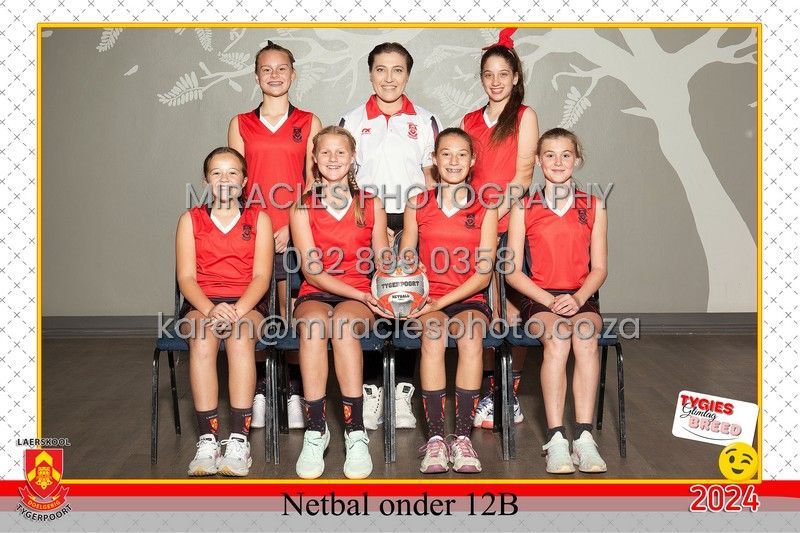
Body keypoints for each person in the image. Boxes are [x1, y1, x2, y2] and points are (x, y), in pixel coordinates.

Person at [339, 42, 443, 431]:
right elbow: (344, 175)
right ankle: (371, 389)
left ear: (408, 75)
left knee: (410, 301)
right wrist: (369, 220)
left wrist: (424, 224)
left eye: (397, 70)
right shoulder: (352, 119)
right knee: (374, 301)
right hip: (369, 221)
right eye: (381, 70)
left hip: (414, 221)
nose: (389, 78)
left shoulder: (426, 119)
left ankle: (401, 390)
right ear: (370, 74)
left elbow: (432, 177)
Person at [228, 40, 322, 431]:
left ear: (293, 74)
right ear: (256, 77)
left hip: (294, 233)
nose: (274, 75)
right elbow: (234, 184)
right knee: (258, 314)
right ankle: (263, 390)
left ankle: (295, 392)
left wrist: (291, 227)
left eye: (281, 68)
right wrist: (262, 230)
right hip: (254, 234)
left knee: (293, 314)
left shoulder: (309, 121)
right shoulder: (240, 123)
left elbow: (316, 182)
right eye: (266, 69)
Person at [505, 128, 608, 474]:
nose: (558, 162)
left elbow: (600, 268)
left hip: (581, 297)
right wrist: (550, 301)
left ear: (577, 159)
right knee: (559, 338)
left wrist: (577, 298)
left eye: (566, 155)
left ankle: (584, 438)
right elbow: (512, 272)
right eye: (549, 155)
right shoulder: (524, 206)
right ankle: (556, 439)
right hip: (540, 299)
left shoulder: (595, 205)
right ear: (538, 161)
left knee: (585, 337)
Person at [290, 126, 390, 479]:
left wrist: (403, 270)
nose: (333, 159)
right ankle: (316, 431)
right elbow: (312, 272)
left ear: (352, 158)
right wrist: (361, 294)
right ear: (315, 160)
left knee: (344, 325)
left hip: (359, 292)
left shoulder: (371, 203)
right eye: (326, 152)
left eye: (341, 152)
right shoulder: (301, 206)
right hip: (317, 292)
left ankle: (355, 431)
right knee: (314, 325)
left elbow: (383, 257)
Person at [400, 128, 498, 473]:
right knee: (433, 335)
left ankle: (463, 438)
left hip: (468, 297)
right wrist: (408, 284)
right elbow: (406, 257)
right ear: (435, 159)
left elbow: (483, 275)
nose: (453, 161)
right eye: (446, 154)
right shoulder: (417, 202)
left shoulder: (486, 206)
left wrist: (440, 304)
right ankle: (436, 440)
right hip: (427, 298)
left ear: (472, 161)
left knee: (471, 336)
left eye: (461, 154)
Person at [176, 147, 273, 477]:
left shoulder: (259, 219)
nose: (224, 179)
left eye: (232, 172)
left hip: (247, 303)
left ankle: (238, 441)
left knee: (240, 336)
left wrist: (237, 310)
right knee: (203, 338)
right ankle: (207, 441)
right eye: (216, 173)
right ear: (206, 181)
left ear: (244, 181)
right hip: (202, 303)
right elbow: (186, 278)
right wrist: (209, 309)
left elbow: (261, 277)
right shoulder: (190, 220)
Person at [460, 28, 539, 430]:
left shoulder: (524, 116)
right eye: (488, 74)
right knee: (486, 310)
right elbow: (460, 174)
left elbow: (523, 176)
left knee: (513, 310)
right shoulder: (469, 120)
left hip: (511, 225)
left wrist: (494, 215)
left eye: (503, 74)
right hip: (477, 228)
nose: (495, 82)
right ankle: (489, 392)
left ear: (515, 77)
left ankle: (509, 393)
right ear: (481, 78)